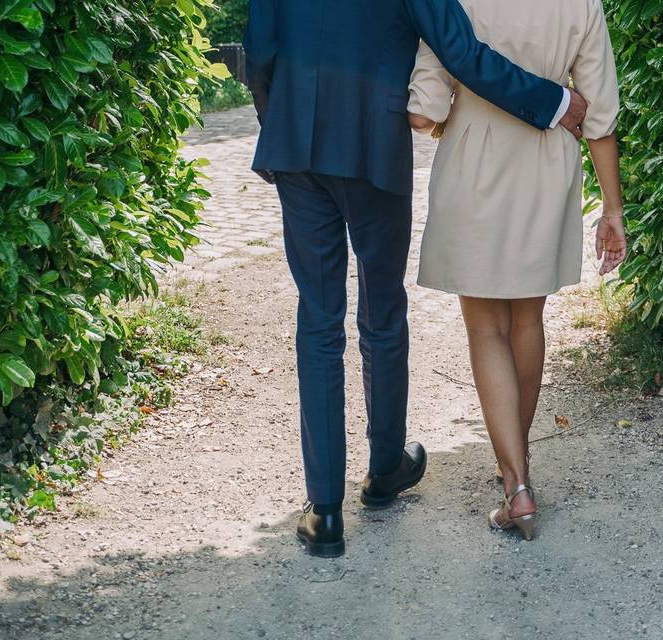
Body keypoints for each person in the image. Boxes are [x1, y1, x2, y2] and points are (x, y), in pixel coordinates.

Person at [242, 0, 589, 558]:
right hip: (372, 141)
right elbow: (463, 54)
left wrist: (279, 113)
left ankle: (325, 510)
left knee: (318, 319)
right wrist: (553, 100)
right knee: (381, 309)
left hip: (297, 143)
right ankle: (384, 471)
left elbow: (258, 50)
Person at [407, 0, 626, 540]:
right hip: (546, 162)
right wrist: (613, 208)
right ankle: (517, 475)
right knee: (528, 322)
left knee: (485, 328)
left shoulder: (452, 2)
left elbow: (423, 112)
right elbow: (598, 113)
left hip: (473, 160)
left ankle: (517, 485)